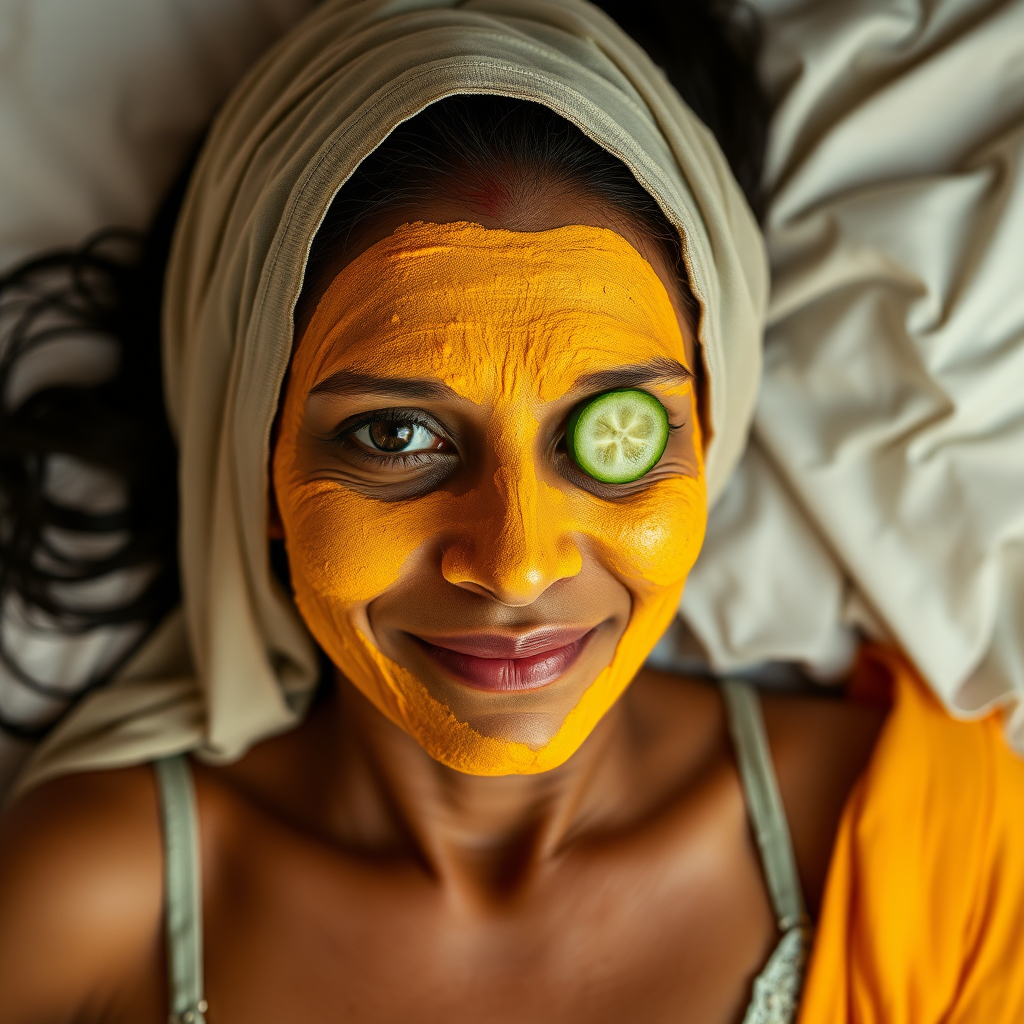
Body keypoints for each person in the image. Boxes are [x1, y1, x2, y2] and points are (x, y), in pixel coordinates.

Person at [1, 2, 1022, 1022]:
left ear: (711, 433)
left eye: (609, 433)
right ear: (253, 459)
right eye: (396, 435)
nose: (518, 565)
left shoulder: (934, 851)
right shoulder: (90, 910)